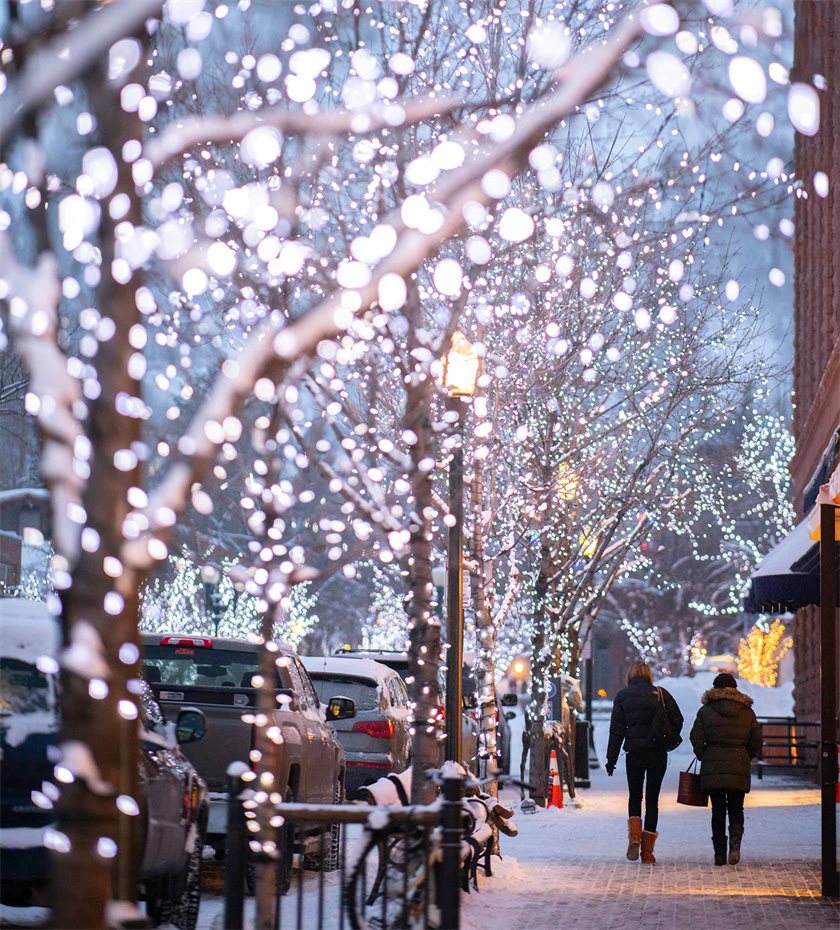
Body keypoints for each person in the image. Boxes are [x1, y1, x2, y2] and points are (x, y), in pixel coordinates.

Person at [606, 661, 683, 864]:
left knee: (635, 796)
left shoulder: (623, 696)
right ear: (648, 675)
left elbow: (616, 731)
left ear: (630, 675)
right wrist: (665, 735)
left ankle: (634, 839)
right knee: (652, 800)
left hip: (634, 754)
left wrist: (611, 760)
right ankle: (648, 852)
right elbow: (679, 719)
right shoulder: (660, 693)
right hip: (657, 753)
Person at [690, 672, 762, 866]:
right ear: (734, 688)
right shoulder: (747, 711)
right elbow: (756, 738)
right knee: (737, 808)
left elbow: (695, 737)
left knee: (718, 810)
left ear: (715, 689)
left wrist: (704, 754)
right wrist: (747, 755)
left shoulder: (705, 711)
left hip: (713, 764)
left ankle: (719, 854)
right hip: (739, 763)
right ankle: (735, 845)